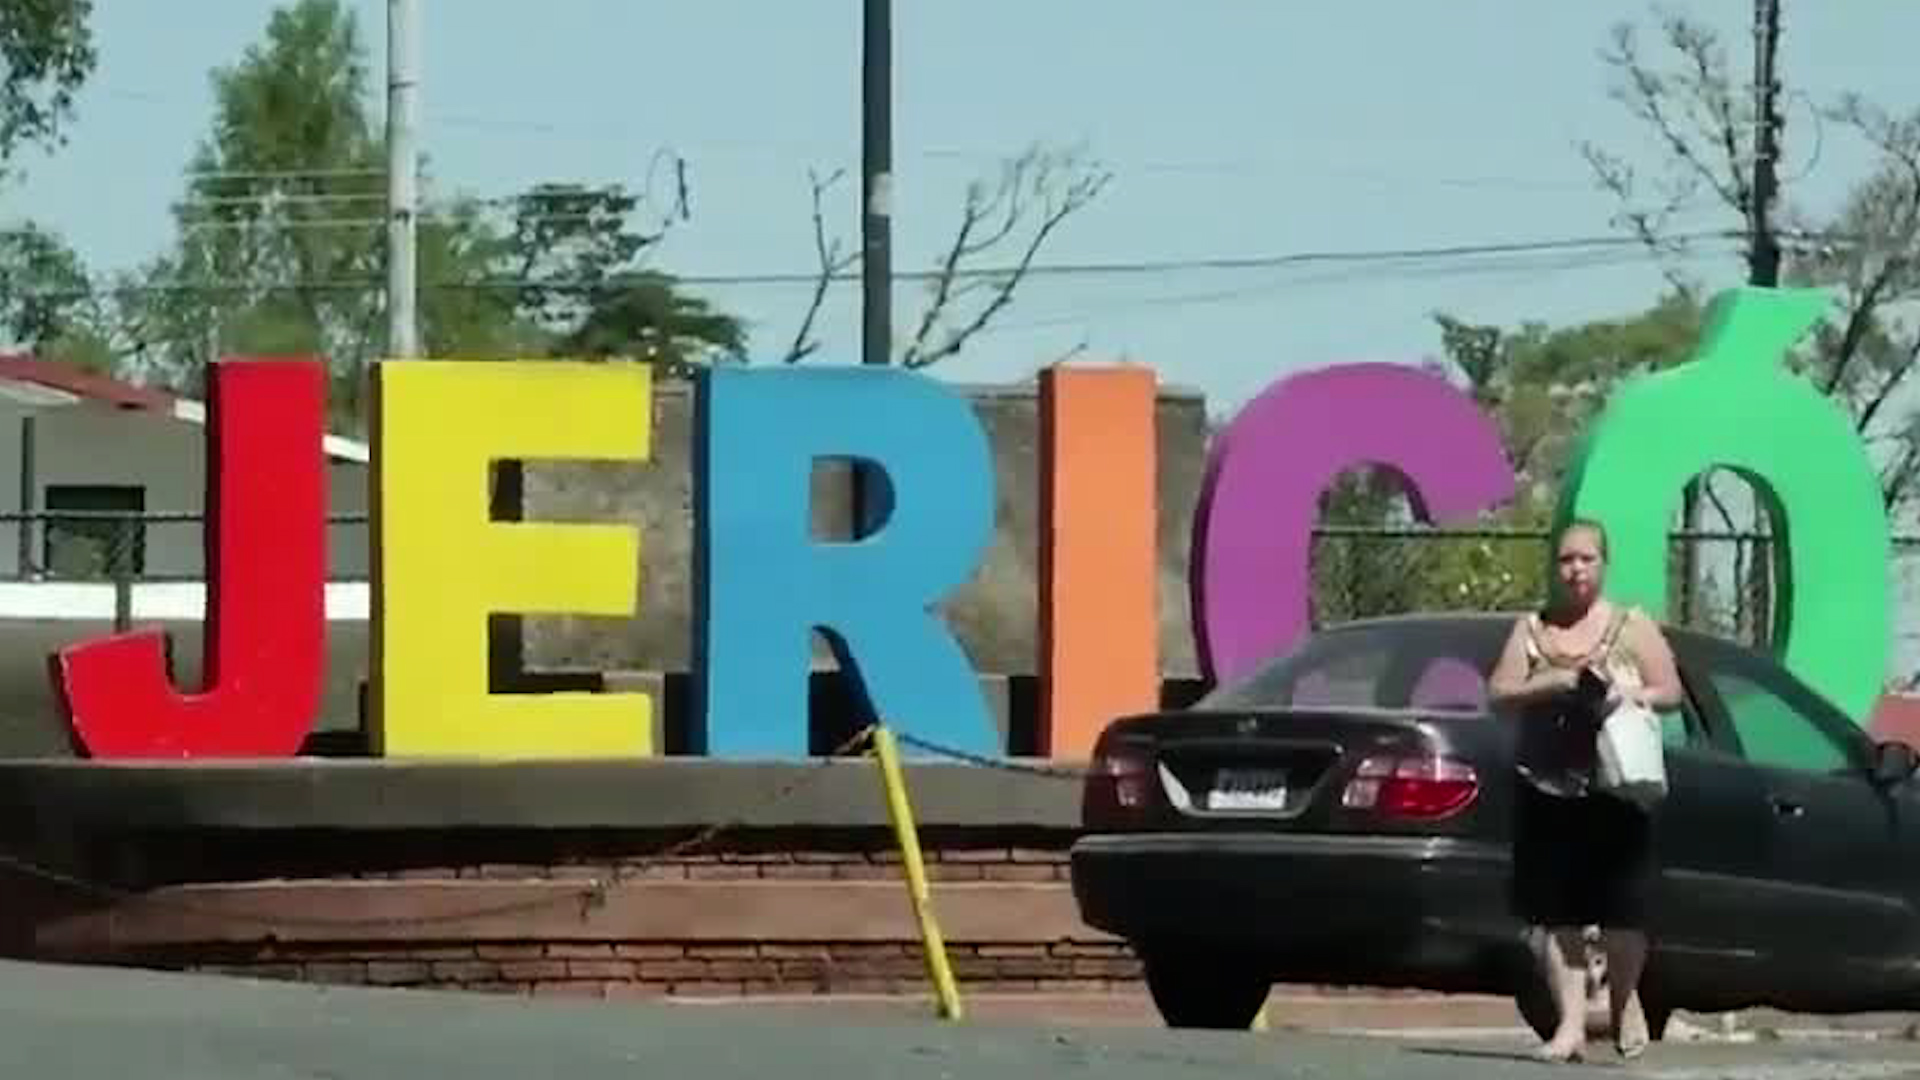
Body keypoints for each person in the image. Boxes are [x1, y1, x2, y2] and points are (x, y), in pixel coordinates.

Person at [1487, 517, 1683, 1063]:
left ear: (1603, 564)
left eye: (1585, 559)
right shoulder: (1532, 628)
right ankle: (1570, 1028)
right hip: (1547, 786)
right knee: (1559, 916)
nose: (1574, 569)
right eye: (1566, 559)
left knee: (1622, 913)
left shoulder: (1630, 624)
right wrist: (1547, 682)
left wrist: (1630, 692)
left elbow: (1670, 691)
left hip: (1615, 787)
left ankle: (1624, 1002)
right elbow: (1498, 693)